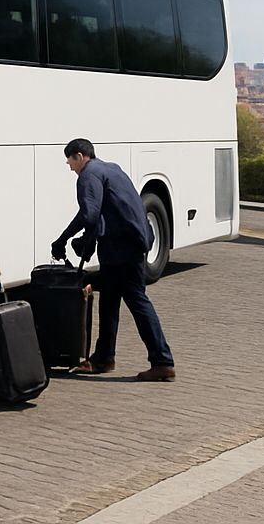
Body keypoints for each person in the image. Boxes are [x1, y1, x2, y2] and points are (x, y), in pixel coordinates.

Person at [51, 139, 176, 382]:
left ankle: (162, 361)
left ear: (80, 155)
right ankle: (104, 358)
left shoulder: (88, 175)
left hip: (122, 249)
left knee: (137, 301)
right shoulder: (112, 168)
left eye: (70, 160)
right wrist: (88, 240)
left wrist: (62, 240)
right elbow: (105, 212)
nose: (69, 166)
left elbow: (89, 214)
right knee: (109, 301)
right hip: (133, 243)